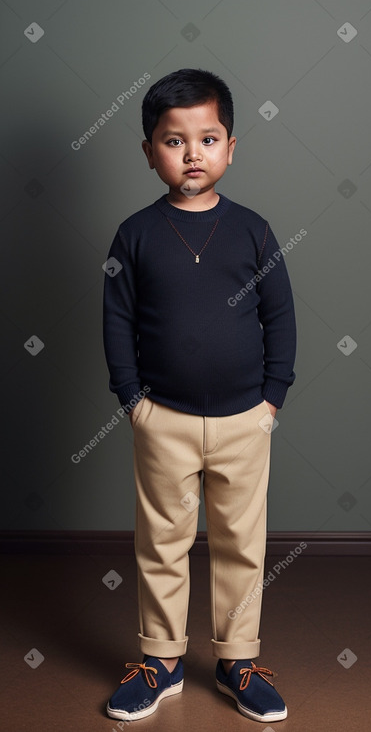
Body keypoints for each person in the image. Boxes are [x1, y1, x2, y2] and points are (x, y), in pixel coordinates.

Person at [103, 67, 296, 724]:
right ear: (149, 151)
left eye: (207, 138)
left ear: (230, 147)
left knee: (242, 540)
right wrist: (132, 401)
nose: (191, 154)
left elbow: (281, 317)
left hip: (246, 419)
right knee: (162, 541)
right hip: (164, 419)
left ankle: (237, 659)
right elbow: (117, 320)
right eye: (173, 140)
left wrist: (272, 396)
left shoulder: (253, 231)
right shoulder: (134, 234)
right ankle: (159, 661)